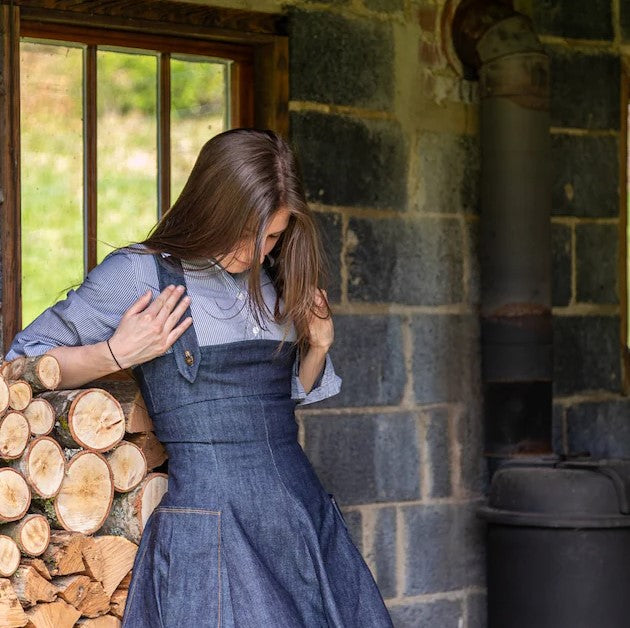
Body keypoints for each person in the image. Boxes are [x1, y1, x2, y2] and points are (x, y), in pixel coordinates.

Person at [6, 128, 394, 627]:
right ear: (212, 207)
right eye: (247, 232)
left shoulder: (275, 281)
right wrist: (113, 352)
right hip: (211, 531)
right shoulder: (141, 274)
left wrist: (318, 346)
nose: (258, 252)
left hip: (300, 514)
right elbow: (24, 355)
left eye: (272, 237)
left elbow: (282, 400)